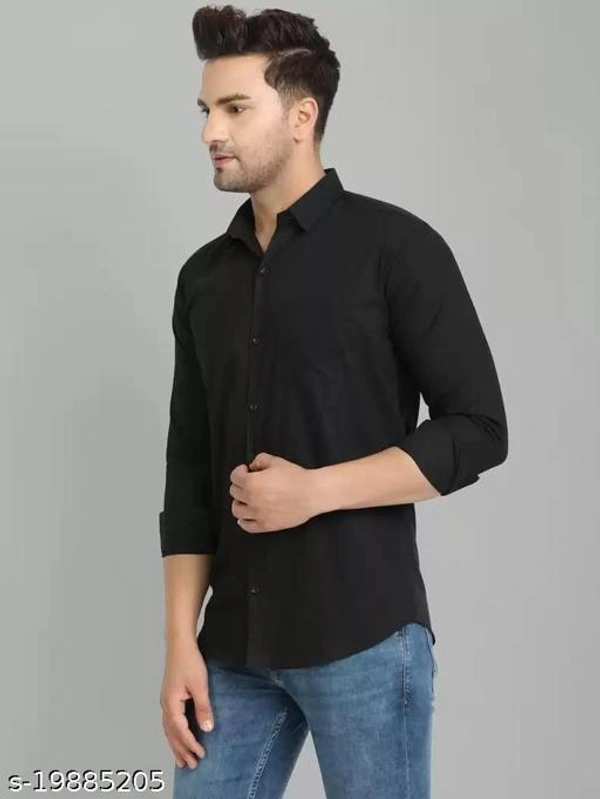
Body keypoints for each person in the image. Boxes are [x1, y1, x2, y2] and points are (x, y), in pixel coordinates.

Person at [158, 5, 509, 798]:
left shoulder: (397, 249)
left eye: (234, 108)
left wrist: (315, 490)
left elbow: (480, 429)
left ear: (302, 115)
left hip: (364, 637)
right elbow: (189, 473)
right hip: (232, 649)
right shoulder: (202, 279)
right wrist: (180, 641)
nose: (211, 131)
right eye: (206, 110)